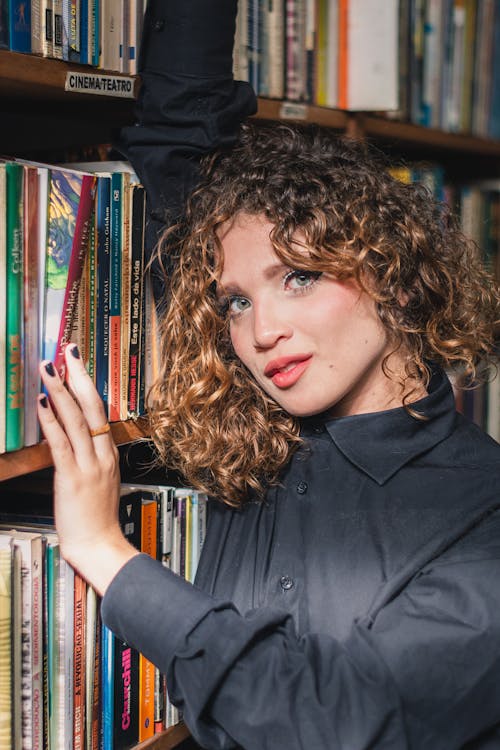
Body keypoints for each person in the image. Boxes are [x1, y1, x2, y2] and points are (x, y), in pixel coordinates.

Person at [37, 1, 500, 749]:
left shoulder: (486, 520)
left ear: (399, 278)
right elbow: (177, 139)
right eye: (236, 300)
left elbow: (330, 725)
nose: (259, 332)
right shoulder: (248, 424)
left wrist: (104, 553)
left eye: (300, 278)